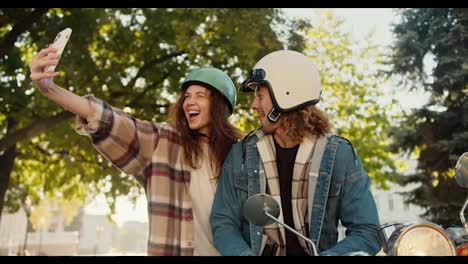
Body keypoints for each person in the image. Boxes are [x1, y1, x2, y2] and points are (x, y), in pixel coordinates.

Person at [29, 45, 243, 256]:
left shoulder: (243, 155)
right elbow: (108, 119)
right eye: (186, 96)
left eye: (200, 96)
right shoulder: (164, 143)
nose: (190, 102)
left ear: (219, 106)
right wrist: (49, 88)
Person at [210, 50, 381, 256]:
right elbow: (223, 223)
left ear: (285, 95)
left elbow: (367, 231)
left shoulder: (338, 154)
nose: (254, 105)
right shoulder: (241, 154)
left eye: (260, 96)